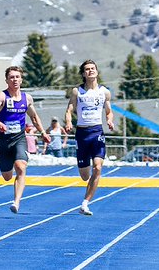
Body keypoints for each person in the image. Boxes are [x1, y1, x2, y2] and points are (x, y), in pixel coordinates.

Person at [0, 65, 47, 214]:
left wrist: (43, 132)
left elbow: (33, 117)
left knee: (21, 167)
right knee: (7, 176)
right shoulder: (1, 96)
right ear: (7, 80)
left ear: (21, 79)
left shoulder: (27, 98)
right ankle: (8, 166)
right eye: (11, 77)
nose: (15, 80)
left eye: (17, 77)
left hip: (19, 138)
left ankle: (16, 202)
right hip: (4, 140)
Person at [63, 59, 116, 216]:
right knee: (85, 176)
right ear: (83, 73)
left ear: (97, 72)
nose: (90, 71)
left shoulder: (104, 92)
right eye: (87, 69)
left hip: (97, 132)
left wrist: (110, 120)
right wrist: (67, 122)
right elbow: (69, 110)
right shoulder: (77, 91)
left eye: (93, 68)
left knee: (98, 167)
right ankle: (86, 189)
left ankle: (85, 203)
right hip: (82, 133)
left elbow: (109, 111)